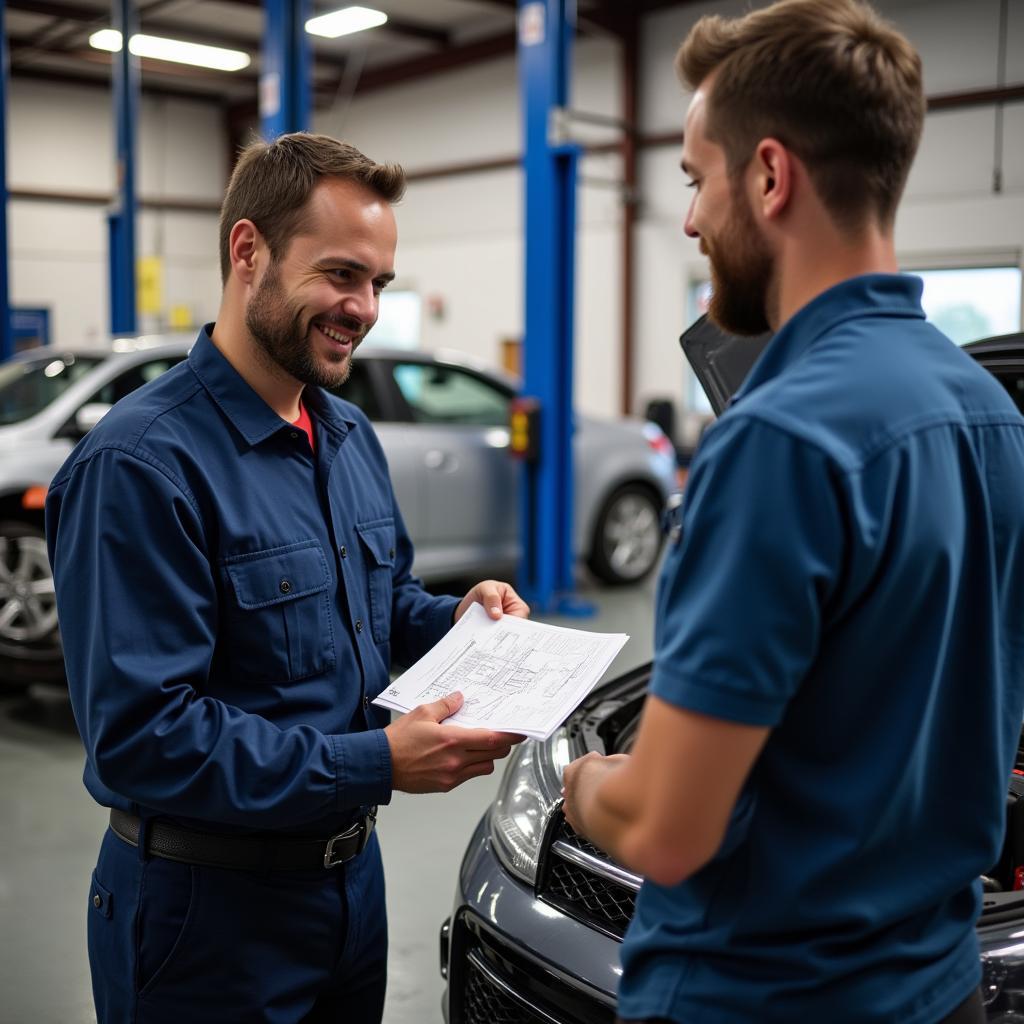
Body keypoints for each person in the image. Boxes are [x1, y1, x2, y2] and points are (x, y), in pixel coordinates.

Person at [561, 2, 1024, 1023]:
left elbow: (669, 830)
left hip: (759, 995)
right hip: (933, 986)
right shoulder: (990, 414)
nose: (688, 220)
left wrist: (586, 782)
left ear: (769, 176)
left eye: (694, 179)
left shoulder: (778, 440)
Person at [45, 132, 528, 1024]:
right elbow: (143, 736)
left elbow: (379, 607)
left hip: (349, 892)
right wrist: (376, 761)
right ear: (247, 251)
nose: (365, 307)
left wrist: (458, 618)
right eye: (342, 274)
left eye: (379, 282)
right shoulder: (142, 465)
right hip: (206, 917)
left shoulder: (346, 437)